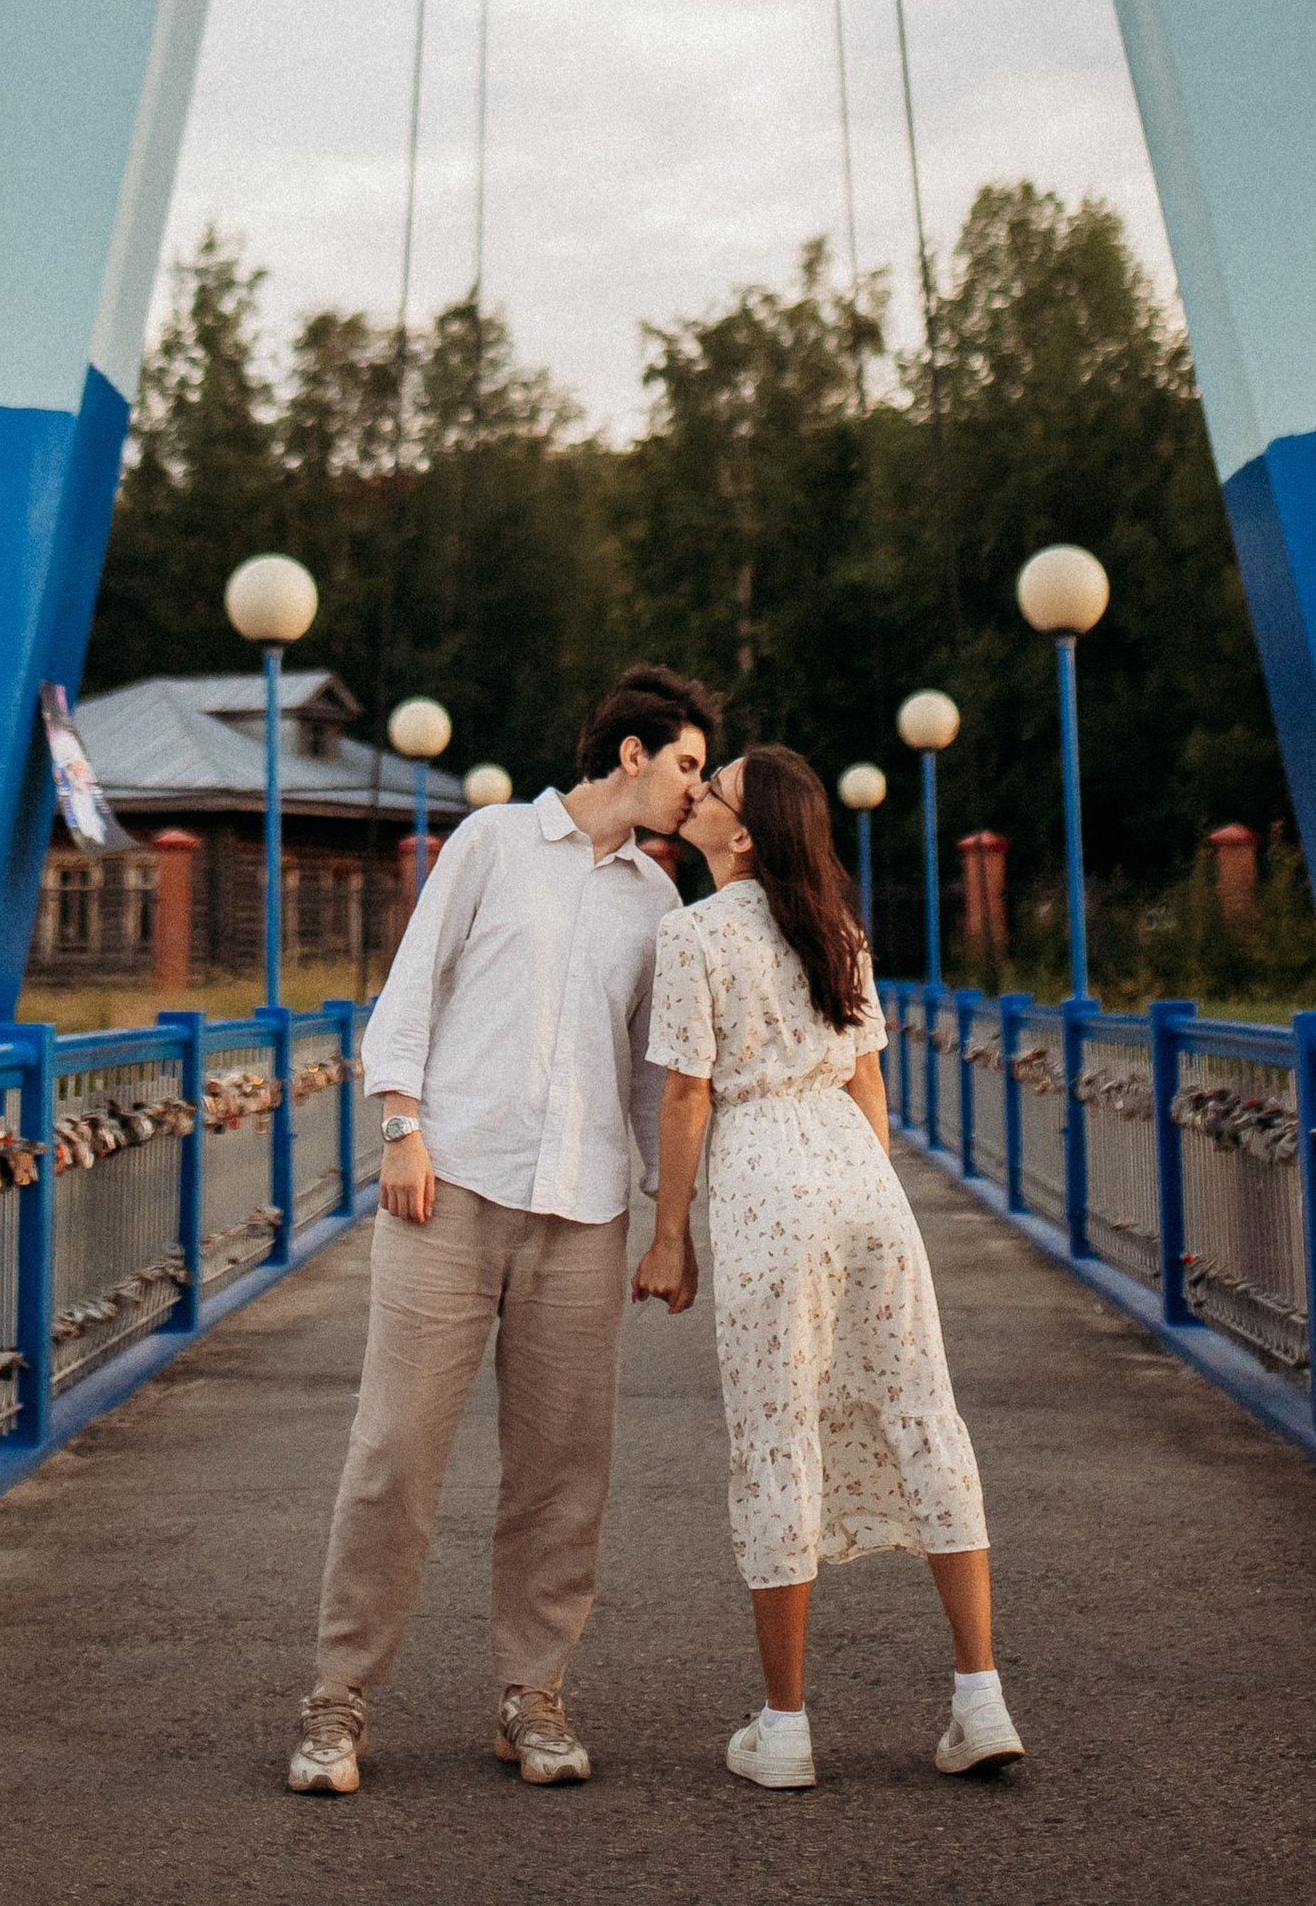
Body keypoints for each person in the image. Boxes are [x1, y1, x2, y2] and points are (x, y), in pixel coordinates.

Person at [287, 663, 724, 1797]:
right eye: (687, 764)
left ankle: (534, 1695)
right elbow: (413, 989)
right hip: (450, 1190)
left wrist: (672, 1225)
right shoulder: (491, 842)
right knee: (394, 1451)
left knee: (562, 1470)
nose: (696, 787)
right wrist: (401, 1129)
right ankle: (337, 1700)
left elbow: (652, 1079)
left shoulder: (657, 902)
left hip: (582, 1214)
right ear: (632, 752)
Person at [632, 741, 1021, 1789]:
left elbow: (686, 1097)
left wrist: (669, 1235)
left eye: (714, 788)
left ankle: (786, 1726)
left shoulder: (692, 933)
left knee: (776, 1432)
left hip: (766, 1179)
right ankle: (979, 1697)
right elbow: (868, 1084)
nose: (697, 794)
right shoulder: (838, 931)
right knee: (921, 1411)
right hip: (862, 1181)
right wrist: (867, 1197)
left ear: (744, 832)